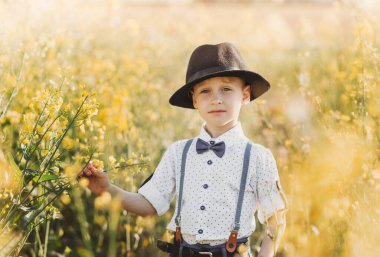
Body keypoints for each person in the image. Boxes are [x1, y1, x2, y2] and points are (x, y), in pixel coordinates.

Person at [79, 42, 288, 257]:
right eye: (205, 91)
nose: (216, 99)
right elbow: (149, 204)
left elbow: (275, 219)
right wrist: (108, 189)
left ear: (245, 95)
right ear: (194, 99)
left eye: (226, 89)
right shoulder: (178, 152)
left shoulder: (257, 157)